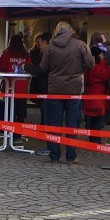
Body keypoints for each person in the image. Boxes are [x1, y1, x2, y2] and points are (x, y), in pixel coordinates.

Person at [39, 21, 94, 164]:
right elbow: (90, 64)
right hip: (74, 88)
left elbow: (43, 67)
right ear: (70, 30)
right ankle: (71, 155)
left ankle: (54, 155)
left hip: (55, 89)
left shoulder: (51, 46)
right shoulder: (80, 45)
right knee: (72, 123)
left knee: (54, 123)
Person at [0, 33, 31, 129]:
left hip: (9, 86)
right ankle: (19, 131)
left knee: (10, 109)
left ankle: (10, 129)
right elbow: (30, 67)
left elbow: (0, 67)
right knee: (21, 110)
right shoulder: (26, 55)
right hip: (22, 85)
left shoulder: (6, 54)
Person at [84, 47, 110, 142]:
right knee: (96, 122)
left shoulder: (89, 67)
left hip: (91, 98)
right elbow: (106, 74)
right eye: (101, 54)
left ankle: (94, 140)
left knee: (93, 121)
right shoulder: (96, 68)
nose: (103, 56)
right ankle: (95, 141)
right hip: (97, 99)